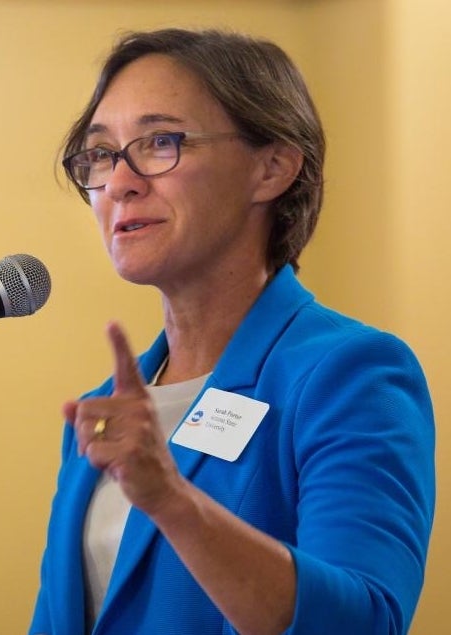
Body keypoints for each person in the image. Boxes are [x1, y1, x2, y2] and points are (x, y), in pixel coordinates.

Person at [29, 28, 435, 635]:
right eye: (101, 154)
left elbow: (366, 621)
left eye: (160, 142)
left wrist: (170, 500)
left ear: (271, 168)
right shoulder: (103, 413)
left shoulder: (351, 374)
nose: (119, 182)